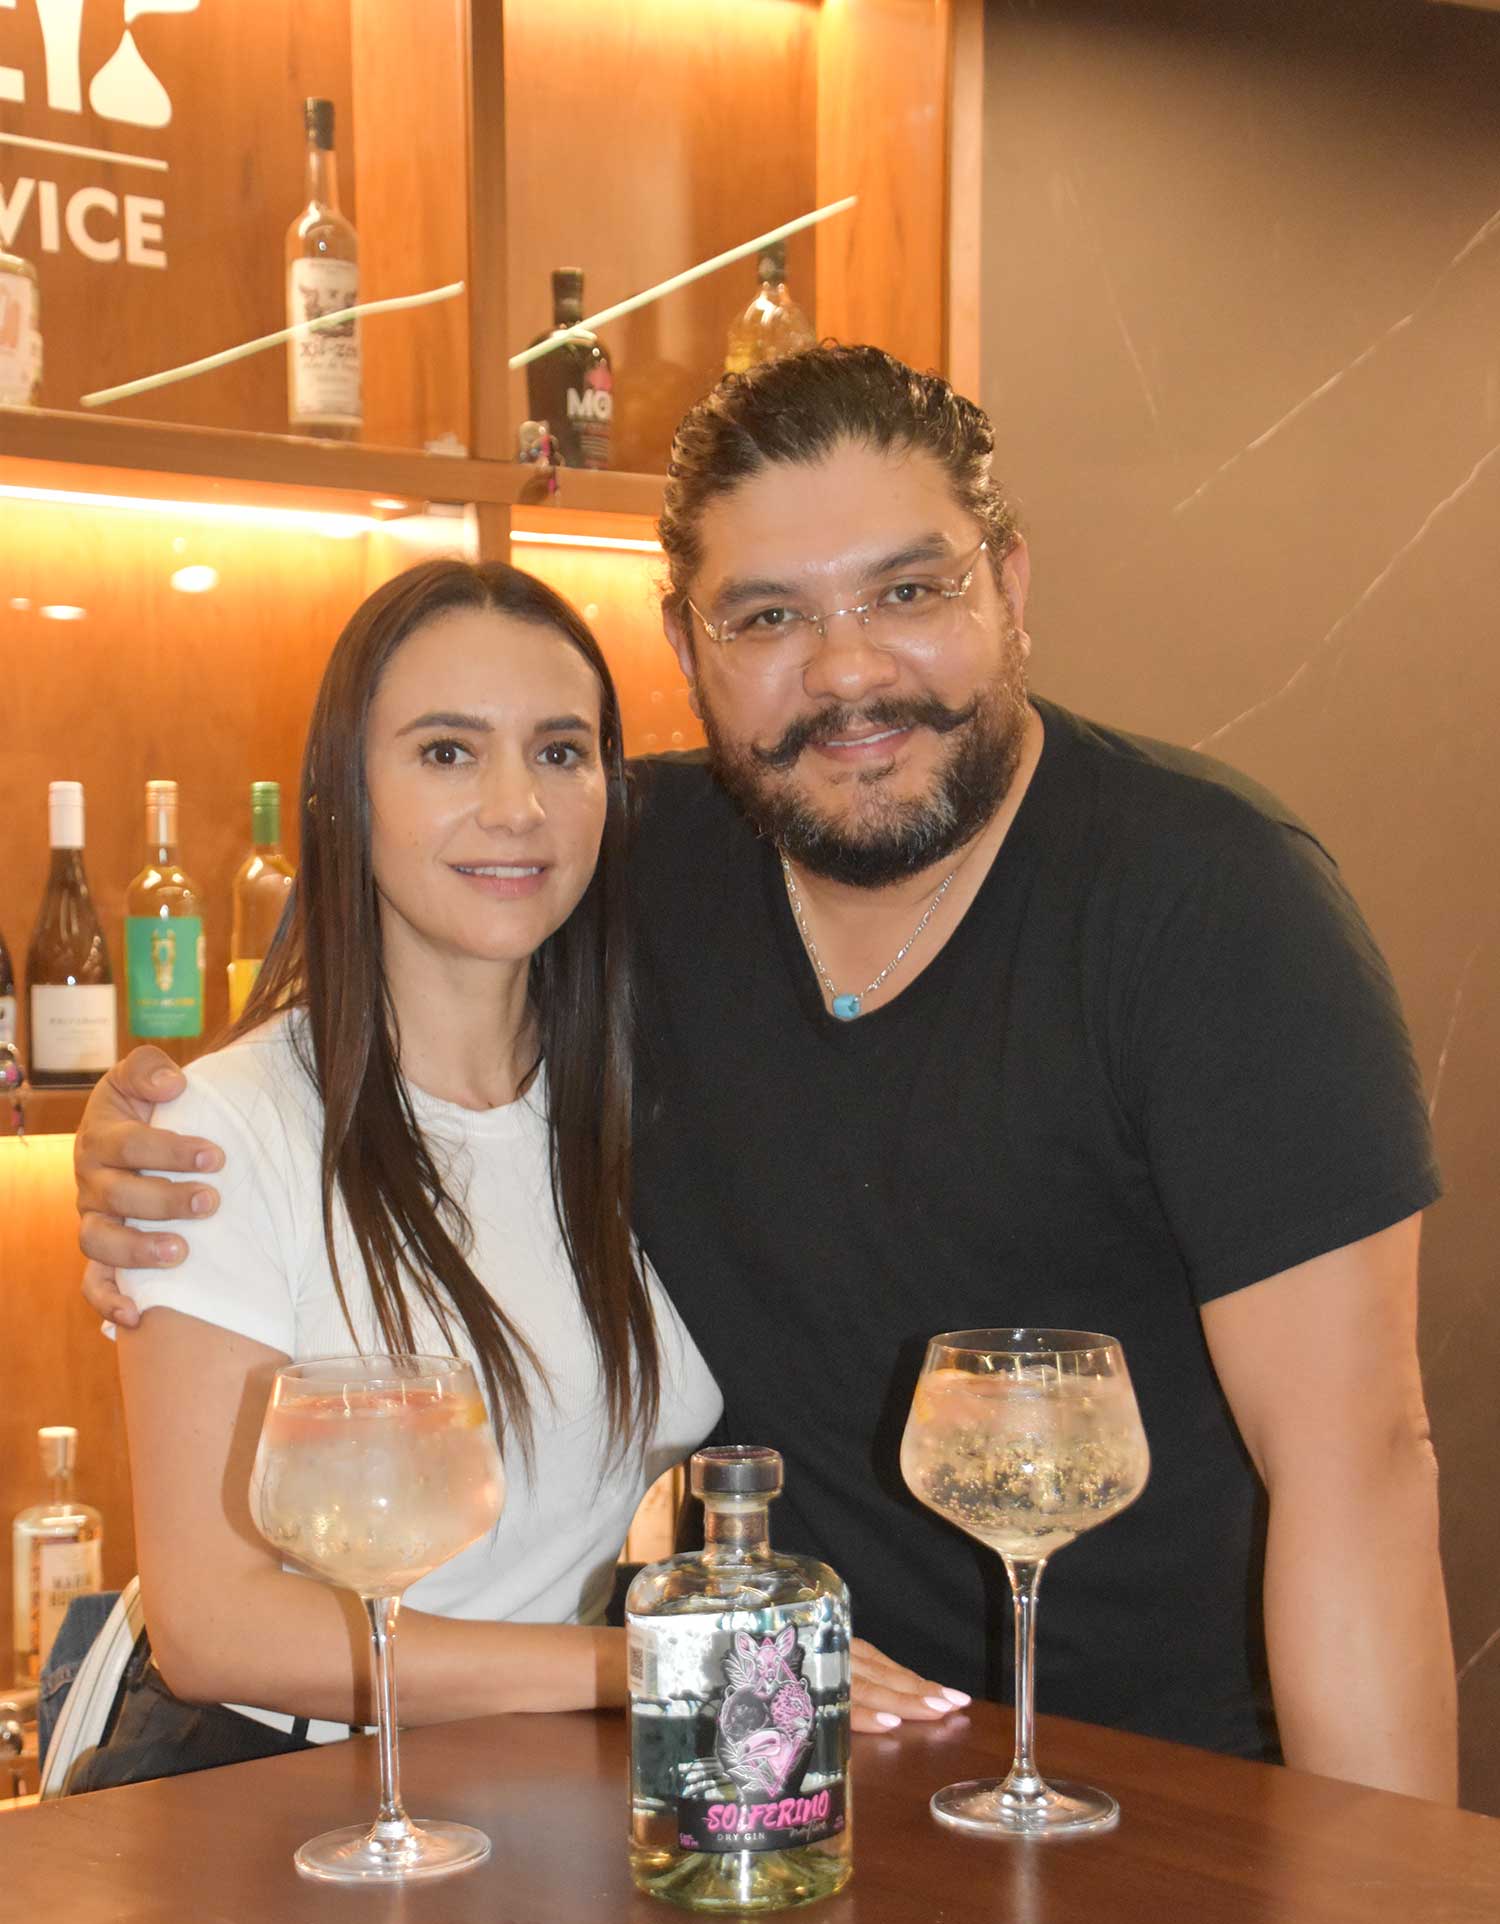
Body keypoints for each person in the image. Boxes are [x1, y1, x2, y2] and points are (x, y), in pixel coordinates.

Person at [77, 346, 1455, 1800]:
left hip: (1155, 1792)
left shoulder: (1212, 908)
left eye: (907, 591)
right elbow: (383, 942)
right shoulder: (632, 861)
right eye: (772, 615)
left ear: (1009, 584)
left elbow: (1359, 1465)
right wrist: (154, 1113)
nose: (848, 670)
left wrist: (1389, 1912)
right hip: (778, 1772)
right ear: (689, 645)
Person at [68, 560, 728, 1786]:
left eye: (561, 751)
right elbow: (216, 1628)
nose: (516, 807)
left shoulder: (646, 1109)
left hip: (530, 1795)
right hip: (272, 1797)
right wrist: (642, 1667)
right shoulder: (224, 1130)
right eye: (446, 752)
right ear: (343, 797)